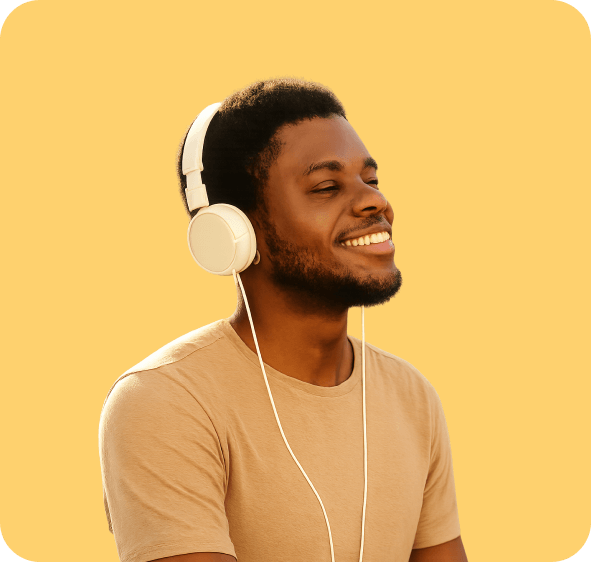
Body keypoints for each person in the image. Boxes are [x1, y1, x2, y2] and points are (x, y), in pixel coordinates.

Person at [99, 78, 468, 562]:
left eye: (371, 180)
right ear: (234, 232)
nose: (375, 202)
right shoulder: (165, 402)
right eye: (327, 187)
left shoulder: (411, 396)